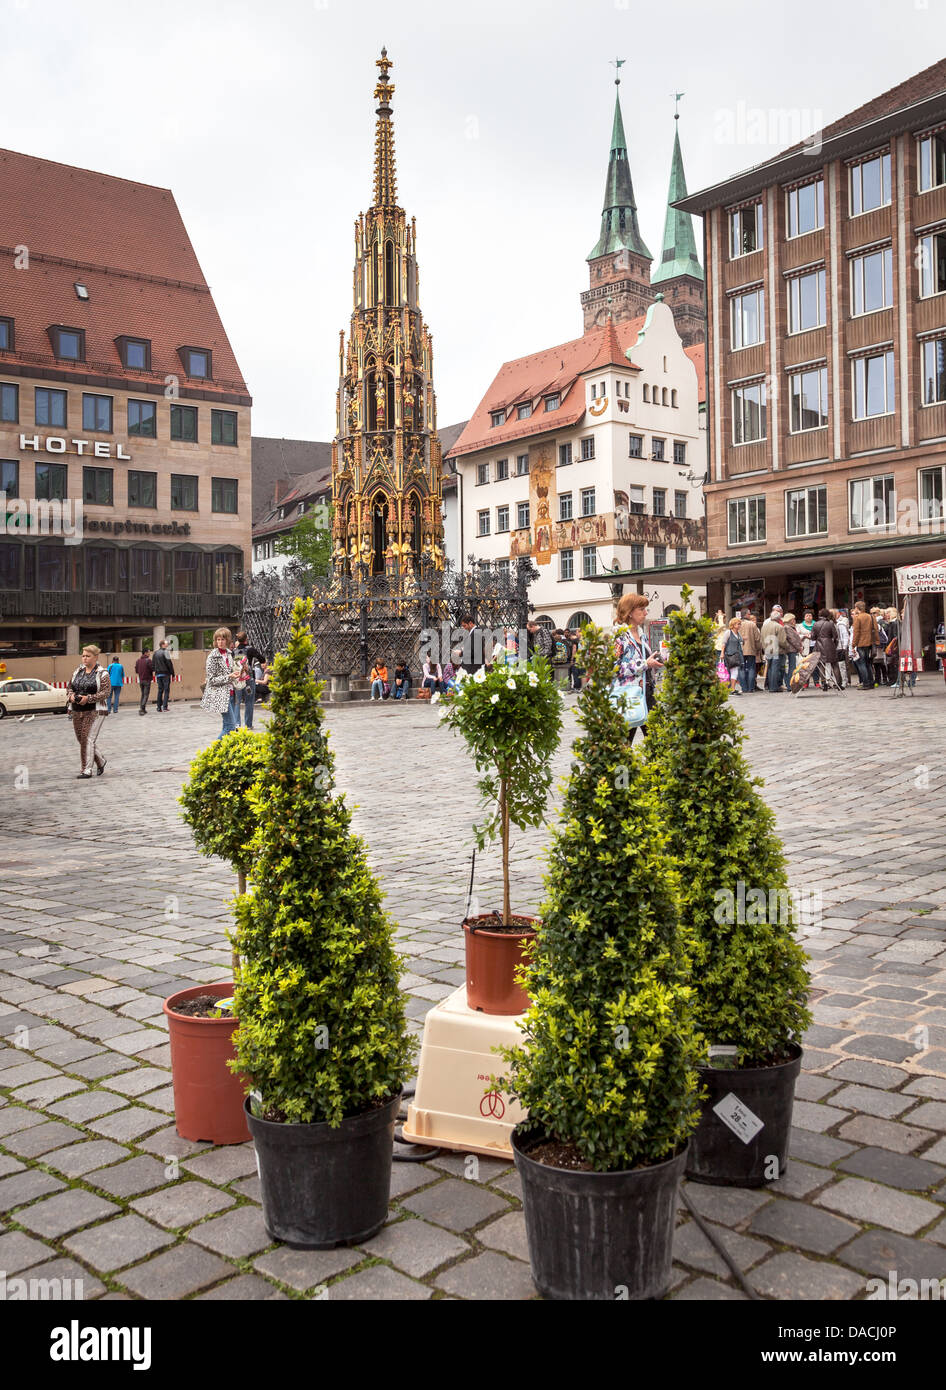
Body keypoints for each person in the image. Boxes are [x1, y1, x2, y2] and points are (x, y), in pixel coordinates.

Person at [612, 592, 663, 744]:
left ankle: (655, 767)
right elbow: (615, 668)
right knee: (624, 744)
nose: (646, 612)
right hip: (629, 695)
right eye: (641, 609)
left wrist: (658, 661)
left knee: (658, 741)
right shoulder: (619, 636)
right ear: (629, 612)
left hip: (647, 693)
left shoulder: (642, 634)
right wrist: (645, 664)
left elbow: (646, 662)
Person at [67, 644, 111, 778]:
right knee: (82, 739)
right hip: (77, 710)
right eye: (83, 656)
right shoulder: (77, 671)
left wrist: (89, 698)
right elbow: (69, 687)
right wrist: (72, 696)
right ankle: (101, 761)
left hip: (95, 710)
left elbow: (106, 692)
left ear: (95, 657)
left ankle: (86, 770)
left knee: (87, 739)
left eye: (88, 656)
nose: (85, 658)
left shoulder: (102, 673)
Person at [201, 627, 238, 738]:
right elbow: (211, 680)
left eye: (222, 639)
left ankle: (223, 752)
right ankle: (215, 750)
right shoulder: (212, 656)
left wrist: (238, 672)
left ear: (227, 640)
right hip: (220, 695)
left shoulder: (229, 653)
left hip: (230, 693)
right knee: (231, 727)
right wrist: (228, 677)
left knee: (226, 725)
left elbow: (230, 672)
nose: (220, 642)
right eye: (218, 640)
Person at [232, 630, 263, 728]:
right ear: (246, 639)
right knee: (249, 701)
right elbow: (262, 659)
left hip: (237, 680)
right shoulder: (250, 650)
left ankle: (237, 724)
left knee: (237, 702)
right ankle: (248, 725)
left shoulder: (234, 652)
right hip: (248, 679)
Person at [811, 608, 843, 690]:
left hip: (819, 645)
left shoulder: (815, 624)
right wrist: (834, 645)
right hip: (830, 645)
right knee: (835, 664)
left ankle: (824, 684)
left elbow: (813, 637)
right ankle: (839, 684)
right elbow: (835, 636)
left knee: (822, 665)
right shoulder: (830, 623)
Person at [851, 601, 879, 690]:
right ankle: (871, 682)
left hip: (861, 643)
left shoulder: (858, 618)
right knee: (868, 663)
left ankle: (866, 683)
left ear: (857, 608)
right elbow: (876, 629)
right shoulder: (871, 616)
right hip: (870, 643)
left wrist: (853, 644)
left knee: (861, 663)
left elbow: (856, 633)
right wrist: (877, 642)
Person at [761, 606, 787, 692]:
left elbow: (762, 638)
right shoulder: (779, 626)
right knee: (775, 669)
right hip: (777, 650)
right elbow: (782, 641)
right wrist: (787, 647)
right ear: (778, 618)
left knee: (770, 668)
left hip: (767, 649)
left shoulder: (764, 626)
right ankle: (774, 687)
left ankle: (770, 686)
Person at [740, 610, 764, 692]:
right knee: (751, 668)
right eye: (749, 614)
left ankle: (744, 688)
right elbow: (757, 639)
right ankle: (750, 687)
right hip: (751, 649)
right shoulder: (752, 624)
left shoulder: (736, 623)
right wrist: (758, 649)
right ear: (746, 615)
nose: (750, 615)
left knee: (742, 669)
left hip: (740, 650)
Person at [722, 618, 744, 694]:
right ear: (733, 625)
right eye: (738, 624)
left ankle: (732, 689)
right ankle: (725, 689)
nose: (739, 625)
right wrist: (722, 653)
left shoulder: (738, 633)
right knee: (727, 672)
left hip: (737, 655)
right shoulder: (728, 632)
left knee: (735, 672)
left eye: (740, 624)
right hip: (729, 654)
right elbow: (723, 643)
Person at [782, 613, 804, 689]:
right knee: (791, 668)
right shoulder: (787, 627)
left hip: (792, 649)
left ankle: (791, 684)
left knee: (791, 667)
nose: (794, 620)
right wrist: (799, 648)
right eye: (793, 619)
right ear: (789, 620)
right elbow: (792, 640)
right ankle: (790, 685)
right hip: (791, 650)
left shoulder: (790, 627)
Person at [152, 639, 174, 713]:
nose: (167, 644)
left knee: (160, 690)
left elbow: (153, 664)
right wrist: (172, 673)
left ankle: (158, 707)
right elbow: (169, 664)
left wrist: (155, 672)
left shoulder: (155, 653)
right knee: (166, 690)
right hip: (165, 674)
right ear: (162, 645)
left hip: (158, 674)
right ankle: (165, 707)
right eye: (166, 643)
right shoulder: (165, 652)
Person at [834, 609, 851, 688]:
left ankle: (844, 681)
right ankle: (837, 681)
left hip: (840, 647)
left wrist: (844, 647)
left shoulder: (841, 623)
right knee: (835, 666)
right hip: (833, 648)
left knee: (842, 665)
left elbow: (845, 636)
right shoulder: (831, 623)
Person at [135, 648, 154, 715]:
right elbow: (152, 669)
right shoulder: (148, 660)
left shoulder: (138, 661)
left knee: (143, 694)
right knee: (146, 694)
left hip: (141, 680)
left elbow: (136, 671)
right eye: (149, 652)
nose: (149, 654)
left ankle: (143, 708)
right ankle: (142, 708)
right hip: (147, 680)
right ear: (145, 653)